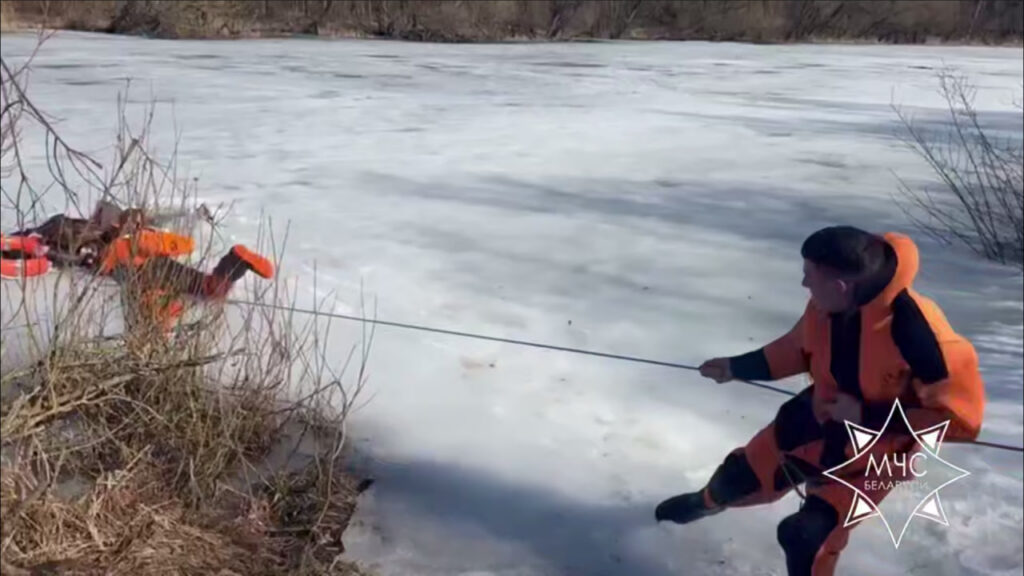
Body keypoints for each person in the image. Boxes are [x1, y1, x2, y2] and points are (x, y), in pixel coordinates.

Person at [654, 226, 986, 575]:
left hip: (874, 455)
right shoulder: (826, 305)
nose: (804, 286)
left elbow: (961, 421)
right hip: (812, 419)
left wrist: (865, 415)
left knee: (806, 537)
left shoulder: (923, 337)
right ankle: (707, 501)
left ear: (840, 286)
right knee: (735, 479)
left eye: (808, 277)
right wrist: (736, 367)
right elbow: (795, 348)